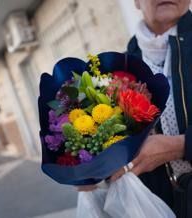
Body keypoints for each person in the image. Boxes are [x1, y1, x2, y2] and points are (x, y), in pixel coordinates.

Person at [79, 0, 192, 209]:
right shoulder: (115, 74)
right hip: (153, 207)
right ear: (136, 1)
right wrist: (89, 167)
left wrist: (181, 146)